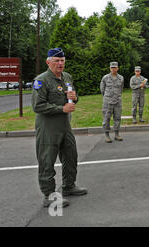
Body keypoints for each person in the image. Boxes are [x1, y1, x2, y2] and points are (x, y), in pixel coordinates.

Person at [31, 48, 87, 208]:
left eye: (62, 60)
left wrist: (75, 98)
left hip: (65, 125)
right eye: (56, 61)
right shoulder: (41, 80)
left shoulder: (67, 77)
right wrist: (61, 109)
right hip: (48, 127)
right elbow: (38, 105)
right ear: (48, 62)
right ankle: (48, 195)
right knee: (47, 161)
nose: (60, 63)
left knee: (71, 155)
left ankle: (69, 186)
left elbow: (72, 97)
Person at [100, 62, 125, 143]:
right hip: (108, 101)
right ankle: (107, 135)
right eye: (112, 67)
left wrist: (117, 96)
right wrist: (107, 97)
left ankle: (116, 134)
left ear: (117, 68)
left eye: (115, 67)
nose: (113, 69)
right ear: (110, 68)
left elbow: (121, 88)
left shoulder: (121, 78)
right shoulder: (105, 78)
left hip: (117, 101)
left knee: (117, 118)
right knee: (106, 118)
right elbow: (102, 89)